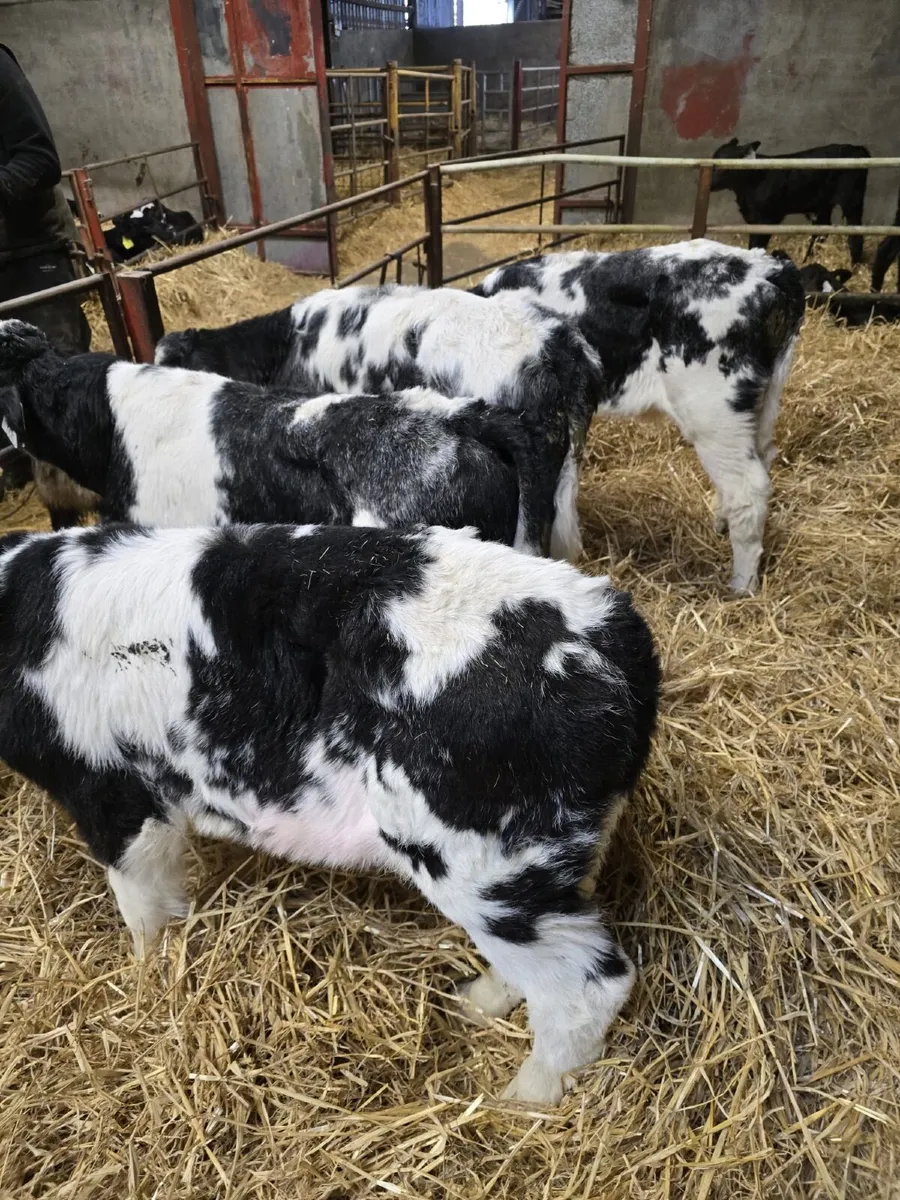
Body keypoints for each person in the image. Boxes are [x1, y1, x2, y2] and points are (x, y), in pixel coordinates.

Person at [0, 41, 90, 495]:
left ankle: (84, 482)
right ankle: (18, 464)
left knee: (56, 372)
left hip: (32, 249)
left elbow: (40, 157)